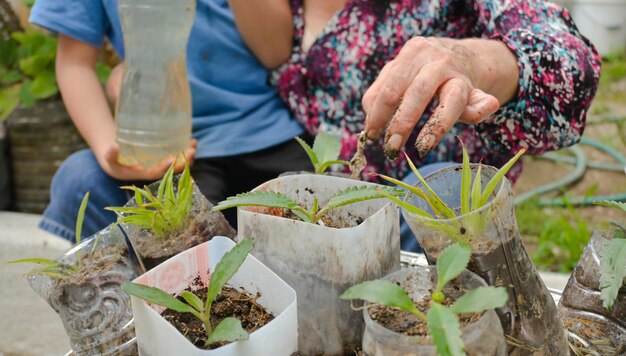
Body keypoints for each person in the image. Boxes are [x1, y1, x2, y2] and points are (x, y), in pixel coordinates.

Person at [230, 0, 601, 249]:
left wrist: (475, 62)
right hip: (329, 203)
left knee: (436, 198)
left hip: (429, 213)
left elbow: (572, 64)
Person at [29, 0, 312, 241]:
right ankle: (138, 298)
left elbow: (275, 50)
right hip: (166, 145)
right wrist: (111, 152)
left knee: (317, 224)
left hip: (269, 133)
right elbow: (75, 62)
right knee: (80, 181)